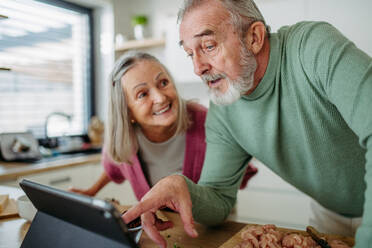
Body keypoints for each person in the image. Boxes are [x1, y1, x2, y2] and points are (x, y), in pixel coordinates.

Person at [123, 0, 372, 247]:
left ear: (254, 37)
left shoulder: (312, 46)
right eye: (190, 54)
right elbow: (219, 200)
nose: (198, 68)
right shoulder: (223, 109)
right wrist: (182, 186)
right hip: (330, 212)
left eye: (208, 46)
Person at [70, 51, 257, 207]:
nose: (160, 98)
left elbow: (237, 167)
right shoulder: (125, 139)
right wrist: (92, 191)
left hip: (211, 229)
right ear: (127, 111)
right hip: (164, 231)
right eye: (142, 94)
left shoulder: (205, 121)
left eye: (163, 83)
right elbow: (113, 165)